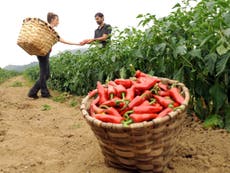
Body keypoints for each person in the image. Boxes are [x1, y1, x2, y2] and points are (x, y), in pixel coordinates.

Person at [28, 12, 80, 99]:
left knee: (46, 74)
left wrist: (77, 44)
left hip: (45, 53)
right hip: (43, 53)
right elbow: (36, 30)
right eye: (57, 20)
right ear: (52, 20)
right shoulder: (46, 28)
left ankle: (36, 92)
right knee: (44, 73)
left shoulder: (51, 31)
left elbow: (61, 40)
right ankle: (39, 93)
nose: (58, 22)